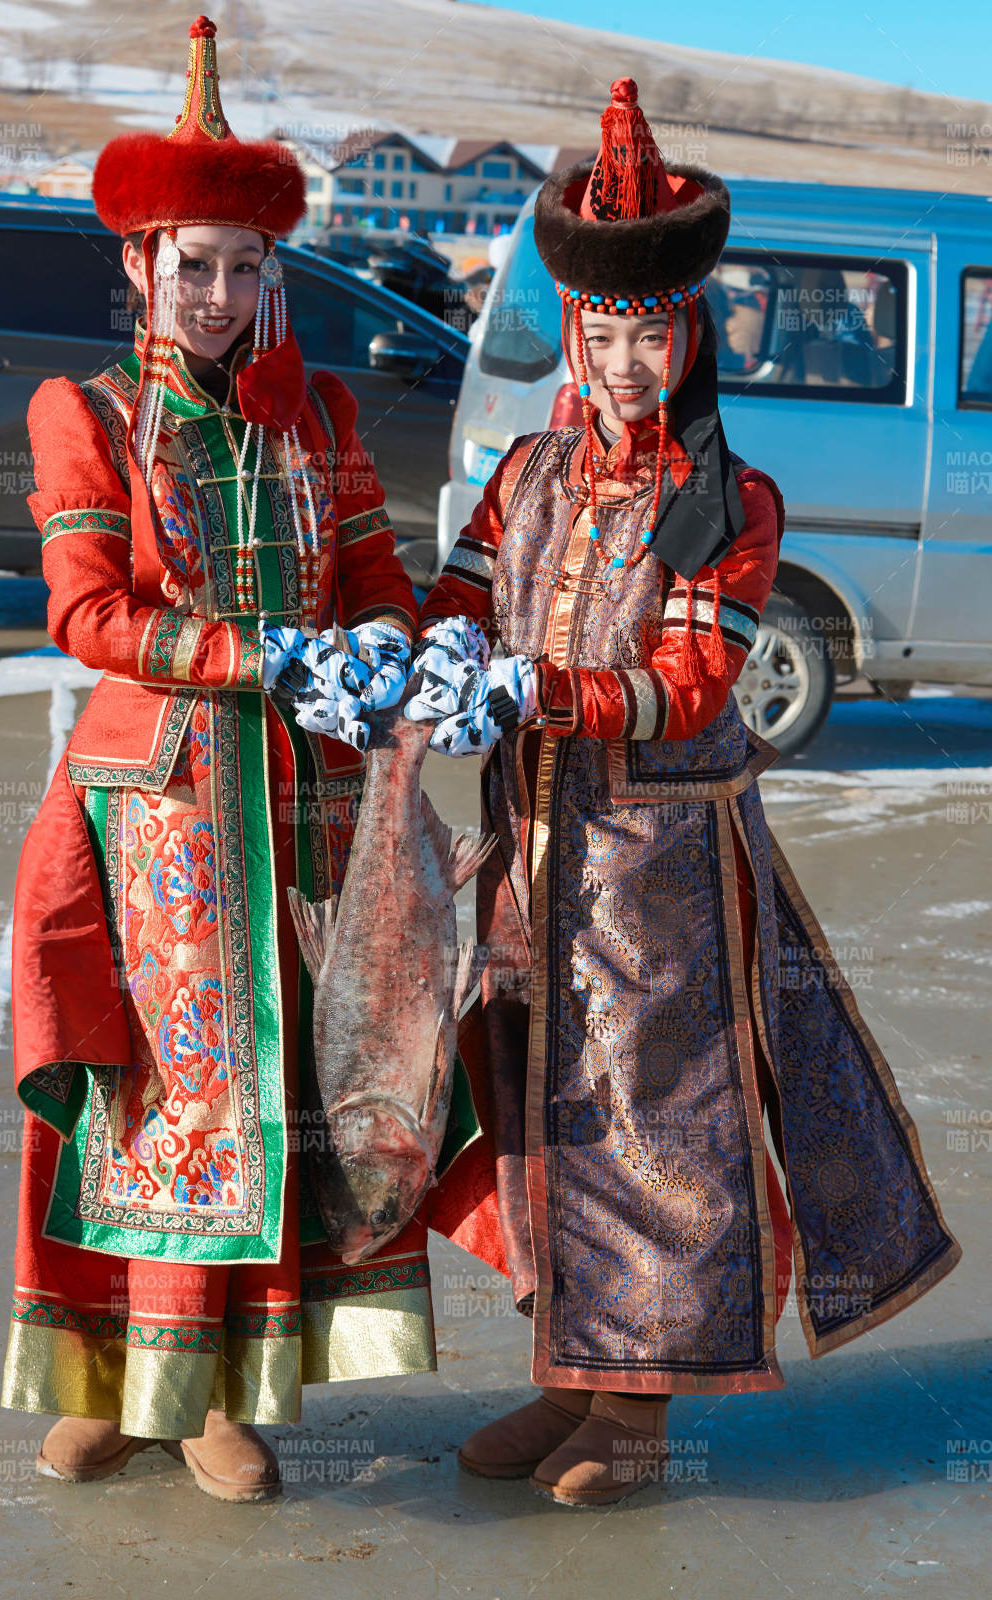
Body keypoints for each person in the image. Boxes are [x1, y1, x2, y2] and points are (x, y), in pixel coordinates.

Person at [407, 77, 962, 1508]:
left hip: (663, 873)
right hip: (530, 851)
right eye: (604, 328)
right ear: (577, 337)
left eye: (653, 326)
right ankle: (566, 1381)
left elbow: (690, 683)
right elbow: (461, 601)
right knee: (539, 1107)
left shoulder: (734, 498)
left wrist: (531, 691)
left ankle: (643, 1419)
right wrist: (403, 657)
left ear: (690, 329)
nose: (628, 354)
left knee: (661, 1125)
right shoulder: (524, 472)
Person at [0, 16, 431, 1501]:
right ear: (137, 265)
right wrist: (264, 657)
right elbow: (88, 611)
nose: (225, 295)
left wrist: (383, 647)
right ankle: (127, 1379)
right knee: (162, 1097)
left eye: (249, 268)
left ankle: (219, 1393)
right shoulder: (94, 417)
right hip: (156, 817)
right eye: (197, 265)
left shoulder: (321, 417)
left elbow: (377, 578)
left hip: (299, 811)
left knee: (272, 1095)